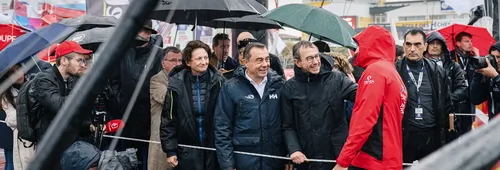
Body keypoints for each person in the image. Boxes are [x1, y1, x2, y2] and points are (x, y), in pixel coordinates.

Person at [333, 25, 408, 170]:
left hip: (372, 158)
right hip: (389, 156)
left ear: (372, 44)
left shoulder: (375, 71)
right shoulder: (391, 71)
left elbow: (364, 120)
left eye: (360, 45)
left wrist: (343, 161)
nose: (357, 50)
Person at [280, 41, 357, 170]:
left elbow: (361, 96)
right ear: (297, 62)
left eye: (316, 56)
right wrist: (294, 149)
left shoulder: (337, 79)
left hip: (337, 157)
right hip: (307, 158)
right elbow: (287, 125)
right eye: (309, 58)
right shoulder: (289, 87)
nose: (315, 62)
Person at [214, 43, 286, 170]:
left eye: (267, 59)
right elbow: (222, 128)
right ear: (245, 62)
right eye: (259, 60)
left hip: (274, 161)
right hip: (244, 161)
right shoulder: (231, 88)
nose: (265, 64)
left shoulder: (279, 85)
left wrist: (288, 155)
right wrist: (227, 164)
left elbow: (287, 124)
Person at [160, 41, 225, 170]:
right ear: (188, 62)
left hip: (213, 149)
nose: (204, 62)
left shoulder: (219, 82)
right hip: (186, 151)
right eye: (199, 58)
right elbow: (169, 119)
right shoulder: (176, 84)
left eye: (206, 57)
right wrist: (170, 150)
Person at [109, 20, 164, 170]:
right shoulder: (122, 53)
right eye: (140, 30)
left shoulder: (159, 54)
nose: (143, 34)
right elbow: (114, 81)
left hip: (149, 117)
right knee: (125, 159)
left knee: (147, 159)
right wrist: (120, 101)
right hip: (125, 116)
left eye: (146, 31)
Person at [396, 29, 452, 163]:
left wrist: (449, 134)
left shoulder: (437, 71)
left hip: (432, 133)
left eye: (417, 45)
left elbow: (447, 103)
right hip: (405, 134)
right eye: (408, 44)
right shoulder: (395, 70)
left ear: (425, 46)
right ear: (403, 45)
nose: (412, 49)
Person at [425, 31, 468, 135]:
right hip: (427, 115)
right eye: (432, 43)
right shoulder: (421, 66)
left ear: (443, 46)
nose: (435, 46)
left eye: (438, 43)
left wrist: (447, 100)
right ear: (426, 45)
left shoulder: (454, 66)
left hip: (449, 115)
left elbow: (462, 89)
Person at [149, 47, 182, 170]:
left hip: (178, 136)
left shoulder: (183, 78)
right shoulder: (157, 80)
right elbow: (167, 98)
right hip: (160, 138)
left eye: (180, 60)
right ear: (163, 63)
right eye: (173, 60)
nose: (178, 64)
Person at [1, 64, 35, 170]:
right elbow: (11, 119)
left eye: (19, 69)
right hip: (21, 139)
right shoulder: (6, 94)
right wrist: (30, 109)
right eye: (12, 73)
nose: (18, 74)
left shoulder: (36, 83)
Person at [450, 32, 479, 134]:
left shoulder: (473, 59)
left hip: (469, 100)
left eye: (471, 41)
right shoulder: (450, 57)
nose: (470, 44)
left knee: (468, 132)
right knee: (453, 131)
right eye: (467, 41)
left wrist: (478, 57)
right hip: (455, 99)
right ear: (458, 43)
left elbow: (481, 77)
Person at [470, 42, 500, 121]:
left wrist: (496, 77)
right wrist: (477, 74)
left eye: (499, 57)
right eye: (493, 57)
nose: (496, 61)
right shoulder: (490, 77)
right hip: (493, 126)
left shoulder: (494, 76)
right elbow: (475, 99)